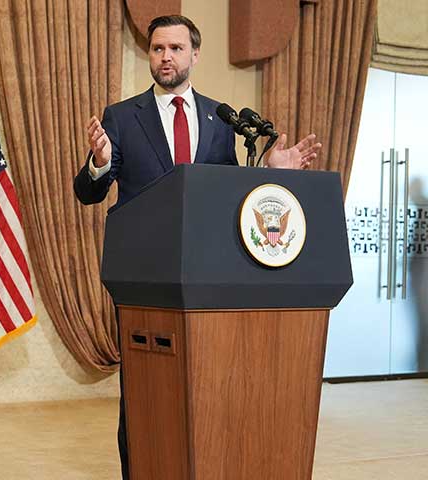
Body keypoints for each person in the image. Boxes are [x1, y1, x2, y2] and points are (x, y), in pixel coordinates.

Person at [73, 15, 322, 479]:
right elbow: (88, 193)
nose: (164, 56)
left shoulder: (220, 116)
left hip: (206, 278)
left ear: (194, 55)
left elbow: (227, 196)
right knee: (146, 391)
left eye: (174, 48)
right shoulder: (122, 117)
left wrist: (269, 169)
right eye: (157, 48)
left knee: (207, 386)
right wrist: (100, 162)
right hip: (144, 276)